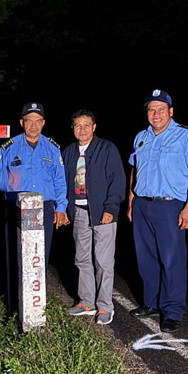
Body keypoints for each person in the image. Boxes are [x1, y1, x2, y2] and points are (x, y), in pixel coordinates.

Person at [127, 89, 188, 333]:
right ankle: (151, 303)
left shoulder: (186, 135)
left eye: (161, 109)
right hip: (142, 205)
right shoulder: (141, 137)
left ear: (171, 112)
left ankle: (172, 311)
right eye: (151, 109)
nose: (156, 114)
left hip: (170, 206)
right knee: (146, 258)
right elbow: (135, 169)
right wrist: (131, 201)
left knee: (172, 260)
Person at [0, 102, 68, 308]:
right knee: (14, 255)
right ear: (21, 122)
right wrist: (8, 182)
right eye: (29, 121)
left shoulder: (52, 148)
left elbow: (60, 181)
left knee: (40, 256)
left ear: (43, 123)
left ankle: (36, 305)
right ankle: (13, 305)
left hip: (44, 207)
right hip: (16, 207)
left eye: (37, 121)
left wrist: (61, 207)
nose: (33, 125)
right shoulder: (9, 147)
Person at [62, 109, 126, 325]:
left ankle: (105, 306)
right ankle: (87, 302)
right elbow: (63, 182)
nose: (82, 129)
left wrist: (111, 208)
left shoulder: (107, 149)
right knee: (82, 259)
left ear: (94, 127)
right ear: (73, 128)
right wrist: (65, 209)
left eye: (86, 125)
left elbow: (117, 181)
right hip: (79, 211)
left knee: (103, 261)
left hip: (102, 213)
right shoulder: (69, 152)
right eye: (78, 125)